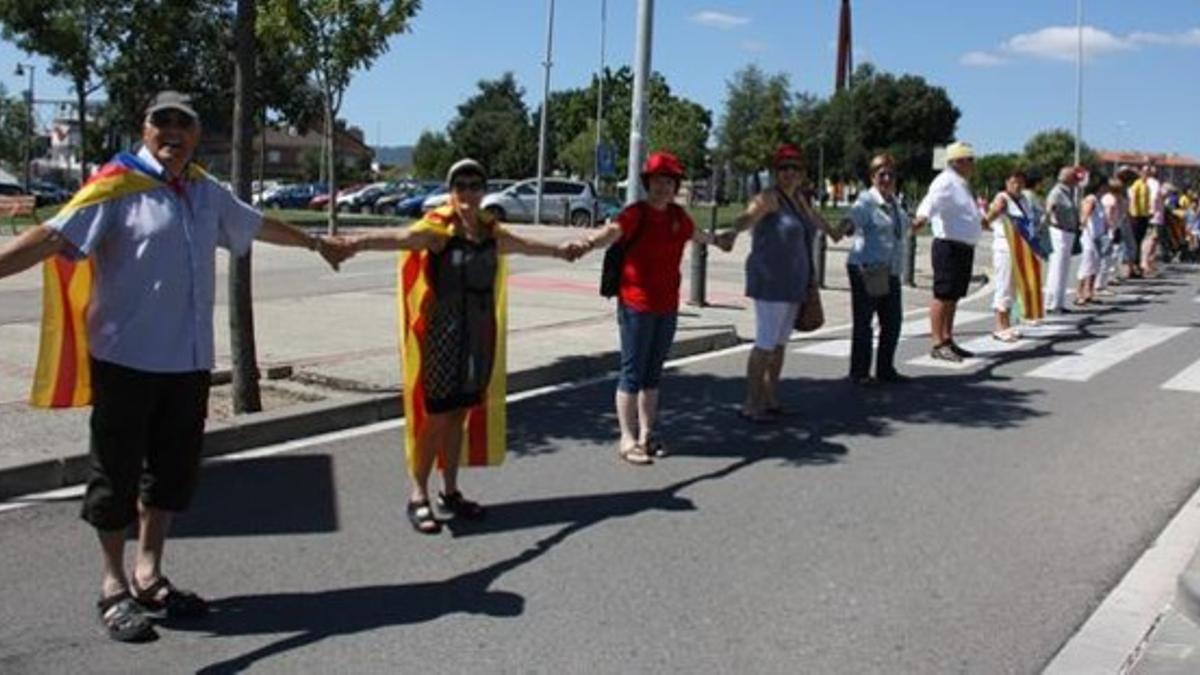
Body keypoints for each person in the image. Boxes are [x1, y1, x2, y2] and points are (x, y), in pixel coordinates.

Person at [0, 91, 349, 642]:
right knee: (114, 476)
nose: (172, 132)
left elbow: (256, 225)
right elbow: (51, 236)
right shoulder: (116, 186)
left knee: (170, 477)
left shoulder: (204, 190)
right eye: (161, 122)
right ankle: (113, 586)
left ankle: (149, 572)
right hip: (127, 361)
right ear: (143, 130)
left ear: (195, 133)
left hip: (187, 364)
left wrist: (315, 244)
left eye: (182, 124)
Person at [341, 159, 581, 532]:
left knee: (459, 415)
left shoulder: (490, 232)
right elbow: (399, 239)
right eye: (461, 185)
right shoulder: (439, 231)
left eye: (475, 185)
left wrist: (563, 250)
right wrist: (357, 242)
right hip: (445, 332)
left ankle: (449, 492)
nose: (468, 192)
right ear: (451, 191)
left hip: (480, 331)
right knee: (437, 414)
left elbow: (528, 245)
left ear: (484, 190)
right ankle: (417, 493)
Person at [570, 151, 730, 463]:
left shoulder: (677, 217)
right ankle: (626, 438)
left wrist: (719, 240)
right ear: (647, 183)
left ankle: (647, 433)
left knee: (653, 374)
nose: (663, 187)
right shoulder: (636, 214)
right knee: (632, 372)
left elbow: (699, 235)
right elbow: (612, 232)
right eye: (657, 181)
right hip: (635, 305)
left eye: (669, 181)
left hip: (667, 306)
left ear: (675, 186)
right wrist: (587, 243)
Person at [725, 144, 838, 418]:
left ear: (801, 173)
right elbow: (748, 216)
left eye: (794, 168)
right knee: (765, 342)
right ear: (775, 172)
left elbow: (816, 220)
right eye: (783, 168)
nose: (789, 173)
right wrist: (731, 231)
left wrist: (835, 231)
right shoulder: (769, 198)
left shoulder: (799, 199)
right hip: (770, 280)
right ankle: (751, 403)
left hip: (794, 282)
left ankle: (770, 396)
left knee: (780, 344)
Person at [912, 141, 987, 362]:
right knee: (943, 294)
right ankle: (937, 342)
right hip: (948, 246)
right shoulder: (945, 181)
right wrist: (922, 218)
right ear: (957, 161)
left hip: (962, 246)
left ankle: (948, 338)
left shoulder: (961, 182)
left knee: (953, 297)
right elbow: (930, 201)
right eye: (969, 160)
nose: (973, 164)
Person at [840, 153, 910, 384]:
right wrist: (844, 227)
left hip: (889, 270)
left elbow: (902, 230)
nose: (887, 178)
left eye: (891, 174)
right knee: (865, 322)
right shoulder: (866, 201)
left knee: (893, 321)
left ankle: (885, 369)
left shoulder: (894, 202)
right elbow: (851, 220)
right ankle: (860, 373)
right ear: (872, 177)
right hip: (868, 268)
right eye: (882, 174)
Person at [983, 168, 1038, 341]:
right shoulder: (1002, 199)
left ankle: (1007, 325)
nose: (1017, 185)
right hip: (1005, 248)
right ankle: (1000, 326)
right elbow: (986, 221)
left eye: (1020, 182)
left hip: (1021, 248)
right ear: (1007, 182)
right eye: (1014, 181)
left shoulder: (1024, 200)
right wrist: (996, 221)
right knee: (1004, 286)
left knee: (1013, 289)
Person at [1043, 166, 1082, 314]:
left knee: (1064, 269)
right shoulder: (1058, 192)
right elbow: (1050, 208)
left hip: (1067, 232)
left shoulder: (1068, 192)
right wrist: (1053, 221)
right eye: (1074, 178)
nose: (1077, 181)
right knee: (1057, 268)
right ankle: (1052, 304)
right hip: (1060, 232)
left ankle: (1059, 302)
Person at [1075, 177, 1110, 305]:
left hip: (1098, 238)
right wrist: (1082, 225)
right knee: (1086, 265)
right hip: (1089, 238)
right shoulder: (1091, 199)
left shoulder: (1098, 201)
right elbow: (1085, 215)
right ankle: (1079, 293)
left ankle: (1089, 292)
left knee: (1095, 266)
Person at [1127, 164, 1153, 278]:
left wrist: (1148, 213)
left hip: (1144, 216)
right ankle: (1133, 267)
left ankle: (1136, 266)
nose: (1147, 173)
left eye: (1149, 171)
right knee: (1135, 242)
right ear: (1140, 172)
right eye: (1145, 171)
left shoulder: (1146, 185)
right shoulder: (1137, 184)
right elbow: (1133, 200)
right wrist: (1133, 215)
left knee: (1139, 242)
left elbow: (1146, 202)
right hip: (1136, 216)